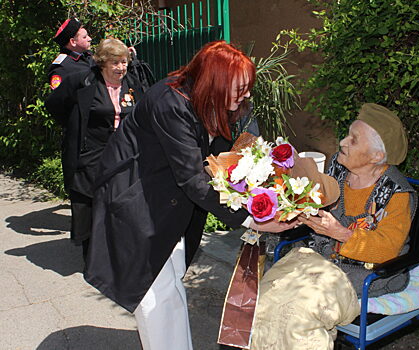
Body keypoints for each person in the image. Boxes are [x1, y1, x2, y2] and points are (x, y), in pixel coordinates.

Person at [83, 40, 294, 350]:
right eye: (241, 87)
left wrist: (261, 187)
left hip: (169, 204)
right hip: (137, 201)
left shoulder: (211, 99)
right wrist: (252, 219)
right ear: (217, 81)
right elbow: (193, 176)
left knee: (170, 289)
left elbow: (220, 161)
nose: (247, 94)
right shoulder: (170, 101)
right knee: (155, 295)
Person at [251, 103, 417, 350]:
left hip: (365, 275)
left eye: (353, 139)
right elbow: (316, 205)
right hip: (321, 260)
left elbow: (387, 250)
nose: (342, 142)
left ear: (376, 156)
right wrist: (298, 213)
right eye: (347, 134)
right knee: (266, 296)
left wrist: (340, 233)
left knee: (299, 312)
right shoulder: (338, 169)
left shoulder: (397, 193)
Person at [45, 38, 146, 262]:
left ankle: (117, 252)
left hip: (124, 154)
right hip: (92, 152)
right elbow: (54, 104)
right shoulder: (83, 81)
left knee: (120, 201)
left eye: (124, 62)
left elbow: (142, 112)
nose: (121, 68)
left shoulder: (132, 82)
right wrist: (74, 125)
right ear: (102, 63)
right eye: (115, 63)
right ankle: (91, 255)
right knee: (90, 201)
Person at [48, 18, 93, 90]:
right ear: (73, 42)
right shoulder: (62, 67)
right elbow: (60, 97)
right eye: (84, 37)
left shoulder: (89, 55)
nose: (89, 39)